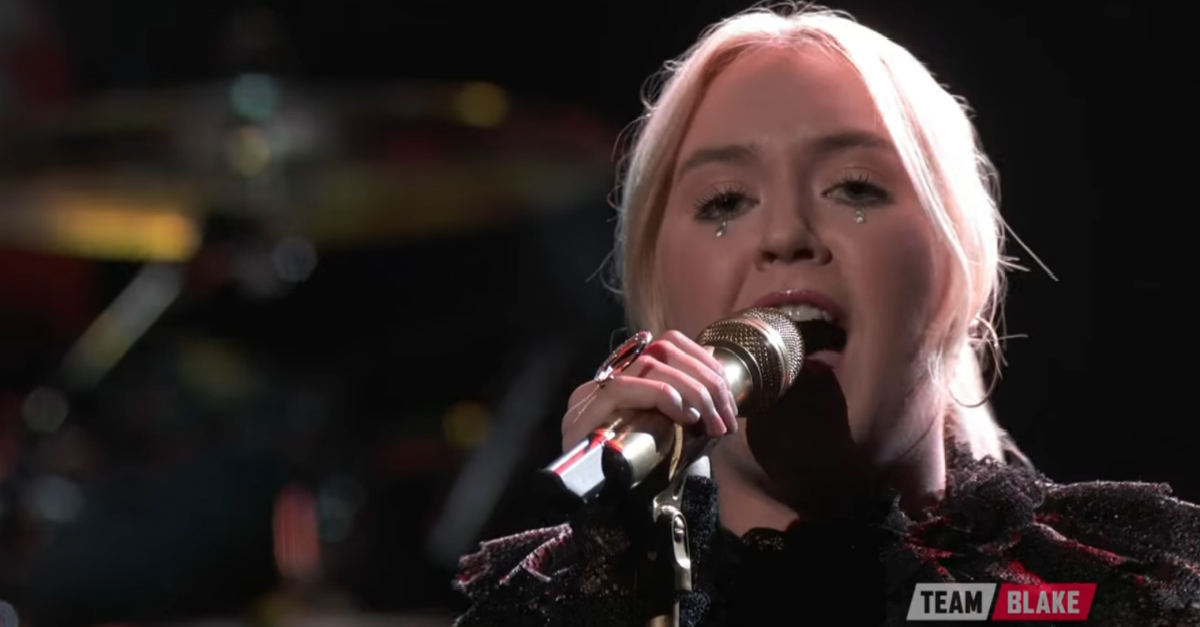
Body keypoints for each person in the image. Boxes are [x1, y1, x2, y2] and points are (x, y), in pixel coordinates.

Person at [452, 5, 1200, 626]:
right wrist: (621, 578)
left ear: (962, 269)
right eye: (724, 202)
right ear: (657, 294)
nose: (785, 235)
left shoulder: (1105, 594)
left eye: (855, 188)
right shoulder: (551, 606)